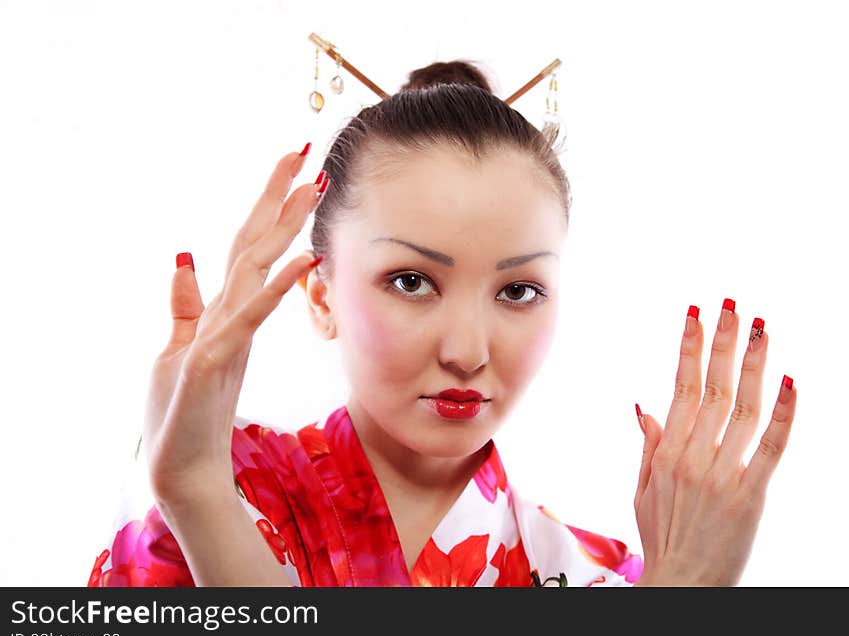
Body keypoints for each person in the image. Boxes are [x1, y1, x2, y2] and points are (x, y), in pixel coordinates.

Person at [87, 61, 797, 588]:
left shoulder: (596, 575)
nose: (467, 352)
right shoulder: (210, 473)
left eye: (518, 291)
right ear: (321, 294)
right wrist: (199, 494)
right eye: (412, 281)